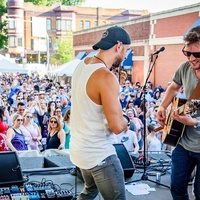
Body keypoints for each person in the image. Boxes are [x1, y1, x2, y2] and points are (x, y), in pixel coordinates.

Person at [70, 26, 131, 200]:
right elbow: (118, 126)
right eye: (126, 50)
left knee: (89, 191)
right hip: (99, 154)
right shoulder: (105, 76)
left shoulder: (82, 65)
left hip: (79, 150)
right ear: (118, 46)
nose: (126, 56)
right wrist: (125, 118)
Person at [156, 25, 200, 200]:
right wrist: (162, 106)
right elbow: (174, 87)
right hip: (183, 143)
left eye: (196, 54)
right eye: (187, 53)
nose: (191, 58)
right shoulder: (185, 68)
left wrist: (195, 122)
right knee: (176, 187)